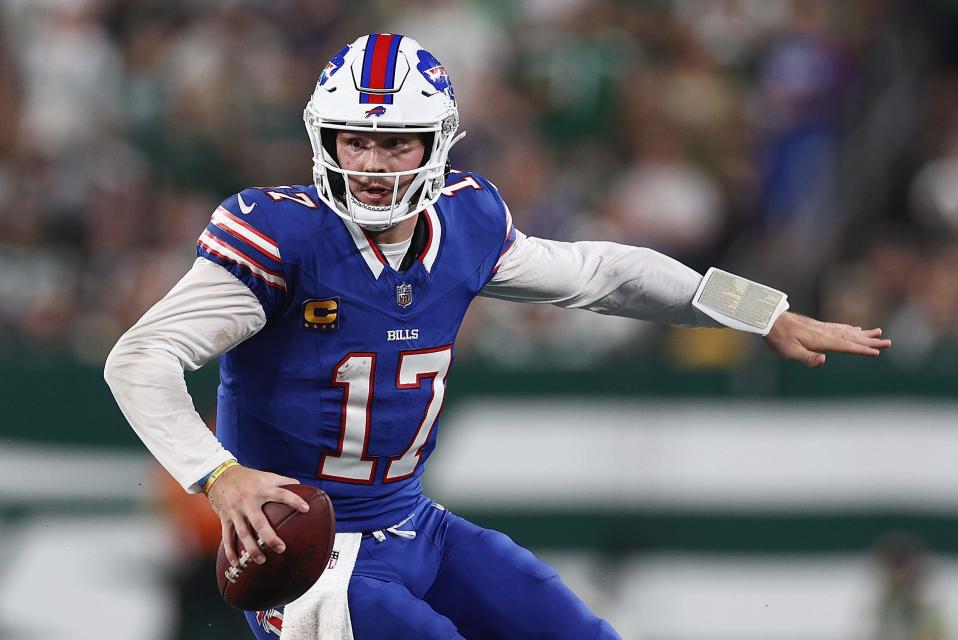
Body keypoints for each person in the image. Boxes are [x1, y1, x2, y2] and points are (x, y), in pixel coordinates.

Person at [104, 34, 891, 640]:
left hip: (413, 523)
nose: (373, 163)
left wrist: (763, 310)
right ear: (325, 141)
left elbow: (601, 273)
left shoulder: (468, 222)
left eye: (397, 142)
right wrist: (219, 477)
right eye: (356, 140)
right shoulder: (280, 235)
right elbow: (140, 358)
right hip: (307, 558)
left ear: (438, 145)